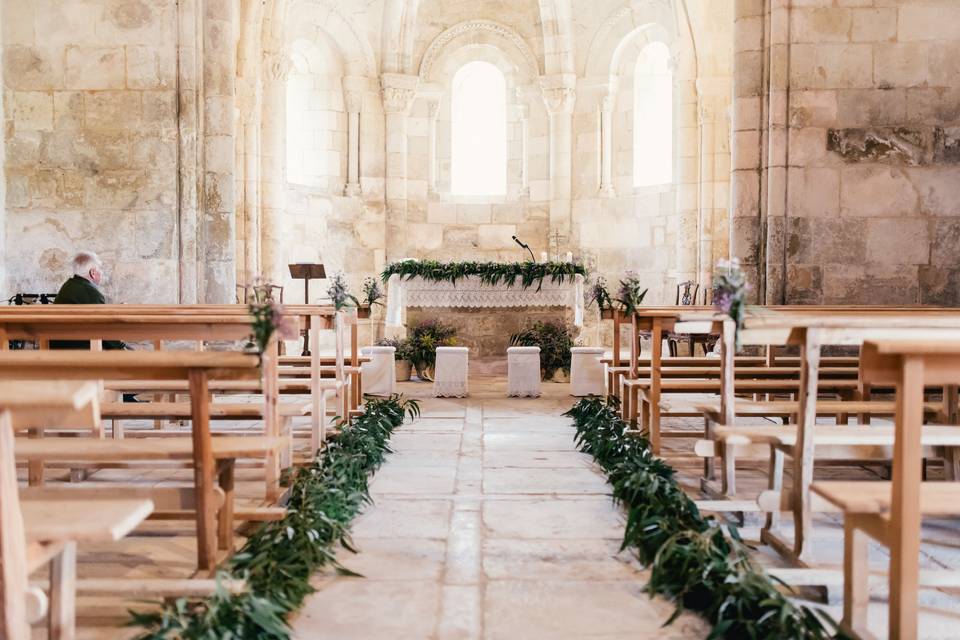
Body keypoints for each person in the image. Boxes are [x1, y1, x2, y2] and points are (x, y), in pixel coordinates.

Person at [52, 251, 138, 401]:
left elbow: (94, 316)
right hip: (78, 347)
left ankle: (126, 395)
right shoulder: (89, 291)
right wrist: (120, 347)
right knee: (134, 357)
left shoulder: (69, 286)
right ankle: (124, 394)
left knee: (126, 351)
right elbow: (103, 328)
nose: (102, 273)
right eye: (100, 269)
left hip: (62, 343)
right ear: (93, 272)